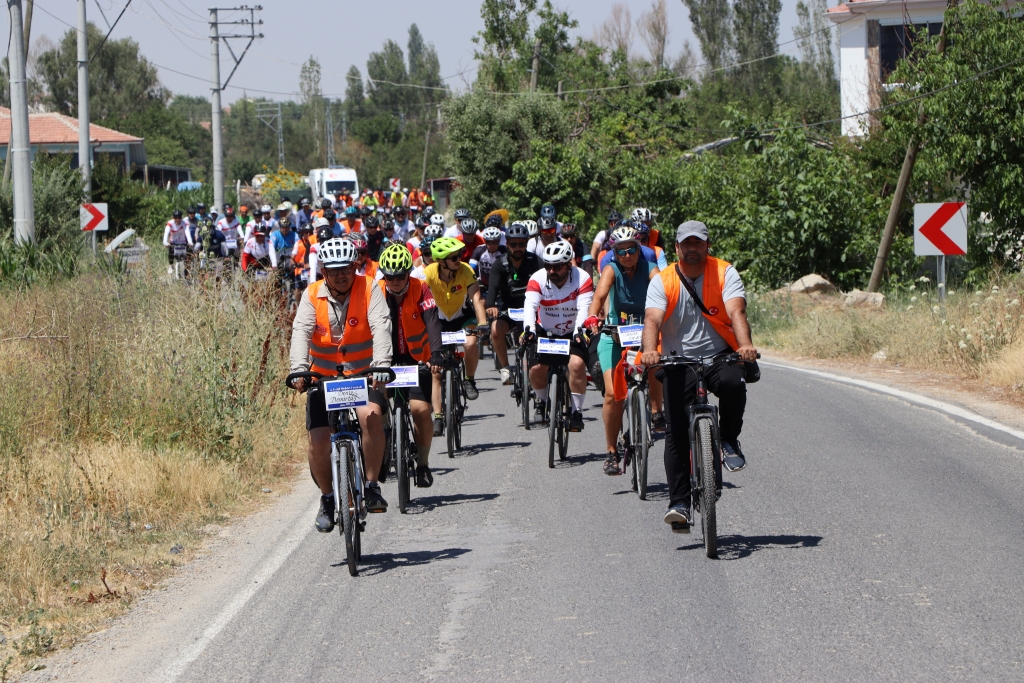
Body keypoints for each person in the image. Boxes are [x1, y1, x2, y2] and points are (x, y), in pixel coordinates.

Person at [640, 221, 757, 534]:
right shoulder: (662, 281)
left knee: (734, 384)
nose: (692, 249)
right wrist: (651, 351)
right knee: (676, 431)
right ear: (677, 248)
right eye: (686, 244)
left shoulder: (724, 272)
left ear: (707, 246)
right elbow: (652, 318)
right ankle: (678, 503)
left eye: (698, 243)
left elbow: (736, 312)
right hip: (678, 360)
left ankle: (729, 439)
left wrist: (744, 346)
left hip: (719, 355)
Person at [288, 238, 394, 529]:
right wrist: (299, 370)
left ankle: (371, 486)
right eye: (333, 270)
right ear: (323, 269)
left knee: (371, 417)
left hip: (365, 373)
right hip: (323, 378)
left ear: (355, 266)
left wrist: (381, 364)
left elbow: (381, 326)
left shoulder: (370, 287)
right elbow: (300, 332)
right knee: (318, 441)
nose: (341, 275)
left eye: (346, 268)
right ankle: (327, 498)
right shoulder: (311, 295)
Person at [584, 225, 663, 475]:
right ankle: (610, 451)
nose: (627, 255)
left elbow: (664, 293)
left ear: (638, 249)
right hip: (614, 335)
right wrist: (592, 318)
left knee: (657, 361)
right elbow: (598, 298)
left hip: (645, 333)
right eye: (621, 251)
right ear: (614, 253)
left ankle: (656, 411)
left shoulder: (651, 269)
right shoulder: (611, 270)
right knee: (612, 394)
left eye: (631, 249)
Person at [377, 243, 443, 487]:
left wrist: (436, 353)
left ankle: (423, 464)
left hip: (416, 360)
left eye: (400, 276)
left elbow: (432, 321)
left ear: (408, 273)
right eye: (390, 276)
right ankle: (384, 439)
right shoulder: (375, 291)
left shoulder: (421, 289)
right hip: (383, 359)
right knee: (377, 408)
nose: (395, 281)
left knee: (421, 410)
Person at [520, 240, 592, 432]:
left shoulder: (582, 278)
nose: (552, 271)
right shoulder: (537, 279)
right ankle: (542, 401)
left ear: (569, 264)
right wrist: (529, 329)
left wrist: (580, 331)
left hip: (573, 331)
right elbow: (530, 306)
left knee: (577, 365)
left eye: (558, 266)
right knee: (535, 368)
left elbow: (584, 308)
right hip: (546, 330)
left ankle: (577, 411)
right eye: (548, 266)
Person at [424, 236, 488, 434]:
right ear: (441, 262)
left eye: (460, 254)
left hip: (461, 316)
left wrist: (483, 323)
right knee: (435, 371)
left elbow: (476, 298)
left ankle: (469, 379)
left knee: (470, 344)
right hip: (439, 321)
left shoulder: (466, 270)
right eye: (454, 257)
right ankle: (438, 417)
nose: (458, 259)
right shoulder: (428, 274)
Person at [486, 222, 539, 384]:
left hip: (531, 310)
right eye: (513, 244)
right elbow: (492, 288)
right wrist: (490, 306)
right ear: (507, 244)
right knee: (495, 330)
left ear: (526, 244)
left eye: (521, 244)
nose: (518, 248)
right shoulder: (499, 264)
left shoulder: (535, 261)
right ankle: (506, 368)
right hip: (507, 310)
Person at [163, 209, 194, 274]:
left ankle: (188, 269)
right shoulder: (170, 223)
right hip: (173, 242)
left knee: (188, 254)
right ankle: (171, 265)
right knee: (171, 251)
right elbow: (166, 233)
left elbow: (187, 232)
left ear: (181, 218)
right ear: (173, 217)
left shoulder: (184, 223)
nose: (177, 220)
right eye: (175, 218)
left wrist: (190, 242)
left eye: (179, 218)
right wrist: (165, 242)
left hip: (183, 242)